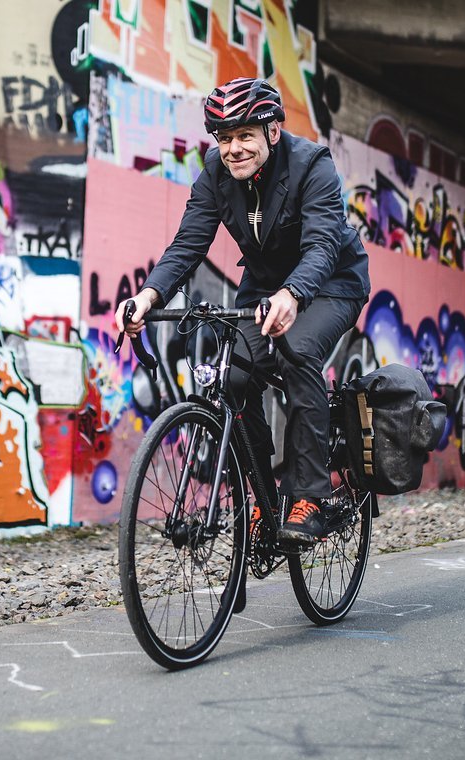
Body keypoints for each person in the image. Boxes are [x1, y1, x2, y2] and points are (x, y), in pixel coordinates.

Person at [116, 77, 370, 547]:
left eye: (244, 135)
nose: (233, 148)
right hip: (265, 287)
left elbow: (320, 246)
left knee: (296, 349)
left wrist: (293, 295)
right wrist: (147, 297)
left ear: (272, 132)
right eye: (224, 137)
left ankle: (310, 496)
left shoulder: (312, 165)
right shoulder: (215, 171)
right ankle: (261, 498)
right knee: (233, 376)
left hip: (332, 281)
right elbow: (188, 243)